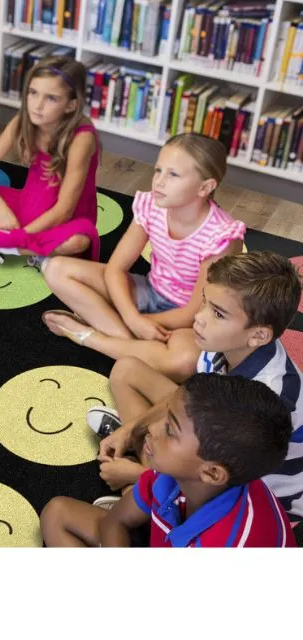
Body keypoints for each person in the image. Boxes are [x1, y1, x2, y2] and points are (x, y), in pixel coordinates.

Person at [87, 251, 303, 519]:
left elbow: (219, 479)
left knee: (133, 505)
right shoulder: (223, 345)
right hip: (215, 434)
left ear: (259, 335)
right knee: (126, 370)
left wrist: (137, 474)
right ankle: (143, 470)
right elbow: (187, 396)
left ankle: (140, 492)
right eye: (204, 302)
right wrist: (130, 430)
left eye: (218, 314)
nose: (198, 318)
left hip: (256, 492)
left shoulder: (269, 400)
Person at [42, 133, 245, 379]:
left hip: (189, 318)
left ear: (205, 187)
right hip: (148, 291)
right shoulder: (151, 206)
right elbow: (115, 269)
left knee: (185, 363)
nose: (158, 181)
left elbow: (194, 310)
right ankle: (134, 346)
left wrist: (140, 319)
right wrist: (133, 319)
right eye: (158, 170)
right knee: (55, 269)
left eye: (173, 175)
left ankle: (89, 336)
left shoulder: (222, 236)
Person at [41, 374, 295, 547]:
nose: (151, 427)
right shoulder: (175, 473)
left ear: (212, 474)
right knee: (57, 512)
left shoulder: (229, 542)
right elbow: (115, 521)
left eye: (170, 430)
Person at [0, 56, 99, 264]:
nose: (37, 105)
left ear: (71, 105)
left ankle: (0, 243)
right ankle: (21, 245)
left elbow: (64, 210)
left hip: (63, 219)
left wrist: (18, 236)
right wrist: (2, 211)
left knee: (77, 242)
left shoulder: (82, 139)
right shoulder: (22, 122)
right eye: (33, 93)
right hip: (26, 206)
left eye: (51, 98)